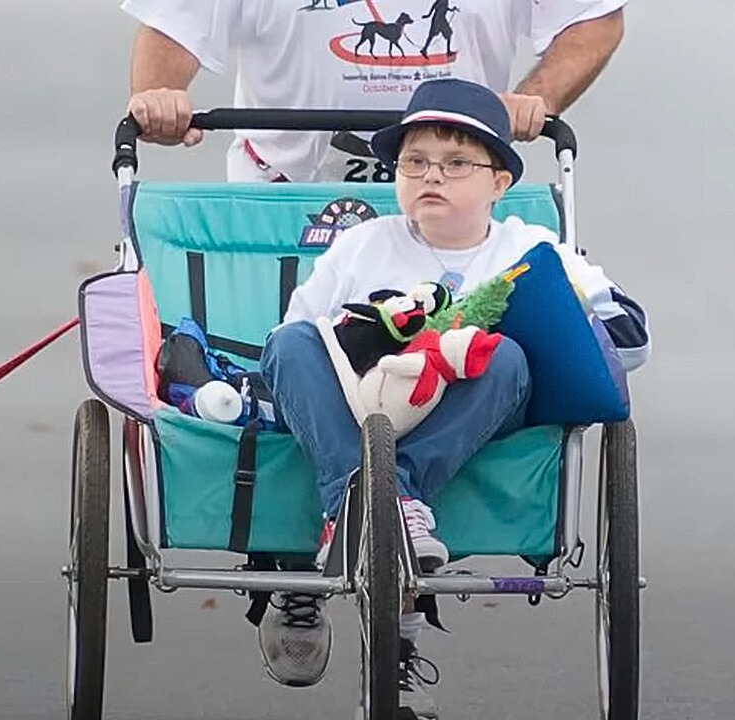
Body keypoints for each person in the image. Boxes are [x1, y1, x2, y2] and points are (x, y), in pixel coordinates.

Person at [257, 78, 651, 716]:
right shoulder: (363, 244)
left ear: (500, 182)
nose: (430, 176)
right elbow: (298, 350)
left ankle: (388, 498)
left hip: (464, 417)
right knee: (292, 342)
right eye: (414, 162)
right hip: (362, 411)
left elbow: (632, 343)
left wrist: (575, 311)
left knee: (509, 356)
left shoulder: (530, 247)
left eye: (456, 163)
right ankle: (363, 501)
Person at [121, 0, 626, 182]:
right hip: (282, 199)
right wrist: (159, 96)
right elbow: (173, 25)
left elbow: (591, 18)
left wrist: (533, 96)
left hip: (453, 191)